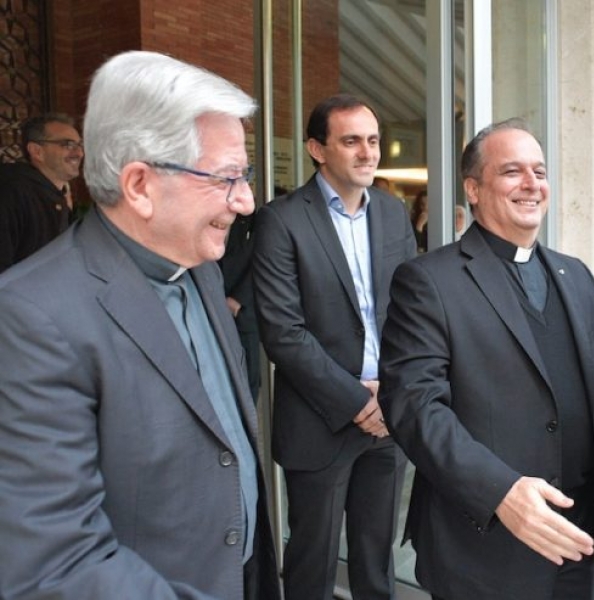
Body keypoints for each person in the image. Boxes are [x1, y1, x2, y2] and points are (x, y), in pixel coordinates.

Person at [378, 118, 594, 600]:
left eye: (540, 170)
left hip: (573, 539)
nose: (532, 184)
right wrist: (500, 492)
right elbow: (414, 408)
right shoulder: (429, 281)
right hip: (483, 545)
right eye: (512, 171)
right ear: (473, 189)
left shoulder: (572, 275)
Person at [0, 51, 280, 600]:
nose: (246, 201)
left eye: (244, 176)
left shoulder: (198, 266)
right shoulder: (30, 317)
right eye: (227, 178)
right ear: (140, 186)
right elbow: (57, 561)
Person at [253, 93, 417, 600]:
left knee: (375, 563)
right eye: (351, 141)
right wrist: (356, 402)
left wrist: (388, 397)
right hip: (320, 422)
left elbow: (413, 316)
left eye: (372, 140)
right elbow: (284, 330)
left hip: (387, 422)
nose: (368, 152)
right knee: (311, 566)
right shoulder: (280, 220)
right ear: (317, 149)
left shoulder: (392, 212)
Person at [219, 185, 287, 404]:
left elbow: (264, 263)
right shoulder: (232, 220)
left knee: (247, 385)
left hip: (243, 314)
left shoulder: (257, 222)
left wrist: (239, 301)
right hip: (214, 308)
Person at [0, 113, 83, 273]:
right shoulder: (12, 192)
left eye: (80, 145)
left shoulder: (56, 194)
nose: (79, 153)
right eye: (67, 144)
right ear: (36, 151)